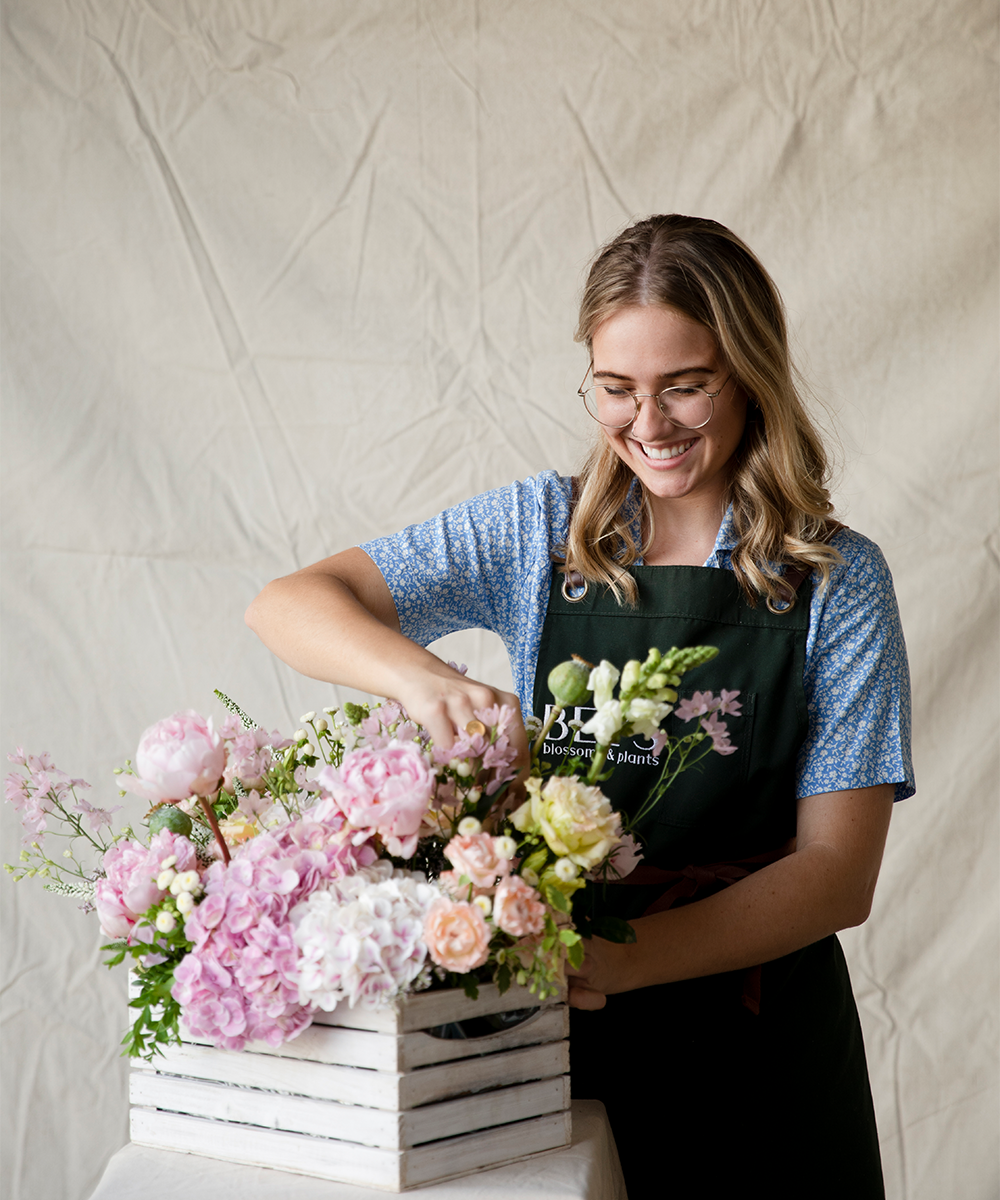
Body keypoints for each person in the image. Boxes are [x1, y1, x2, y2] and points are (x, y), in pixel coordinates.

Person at [246, 215, 913, 1197]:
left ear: (751, 372)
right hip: (556, 1039)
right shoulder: (538, 534)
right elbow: (287, 603)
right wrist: (421, 679)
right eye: (615, 388)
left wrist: (615, 960)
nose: (648, 423)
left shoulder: (834, 583)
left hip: (756, 1042)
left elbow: (834, 875)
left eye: (686, 383)